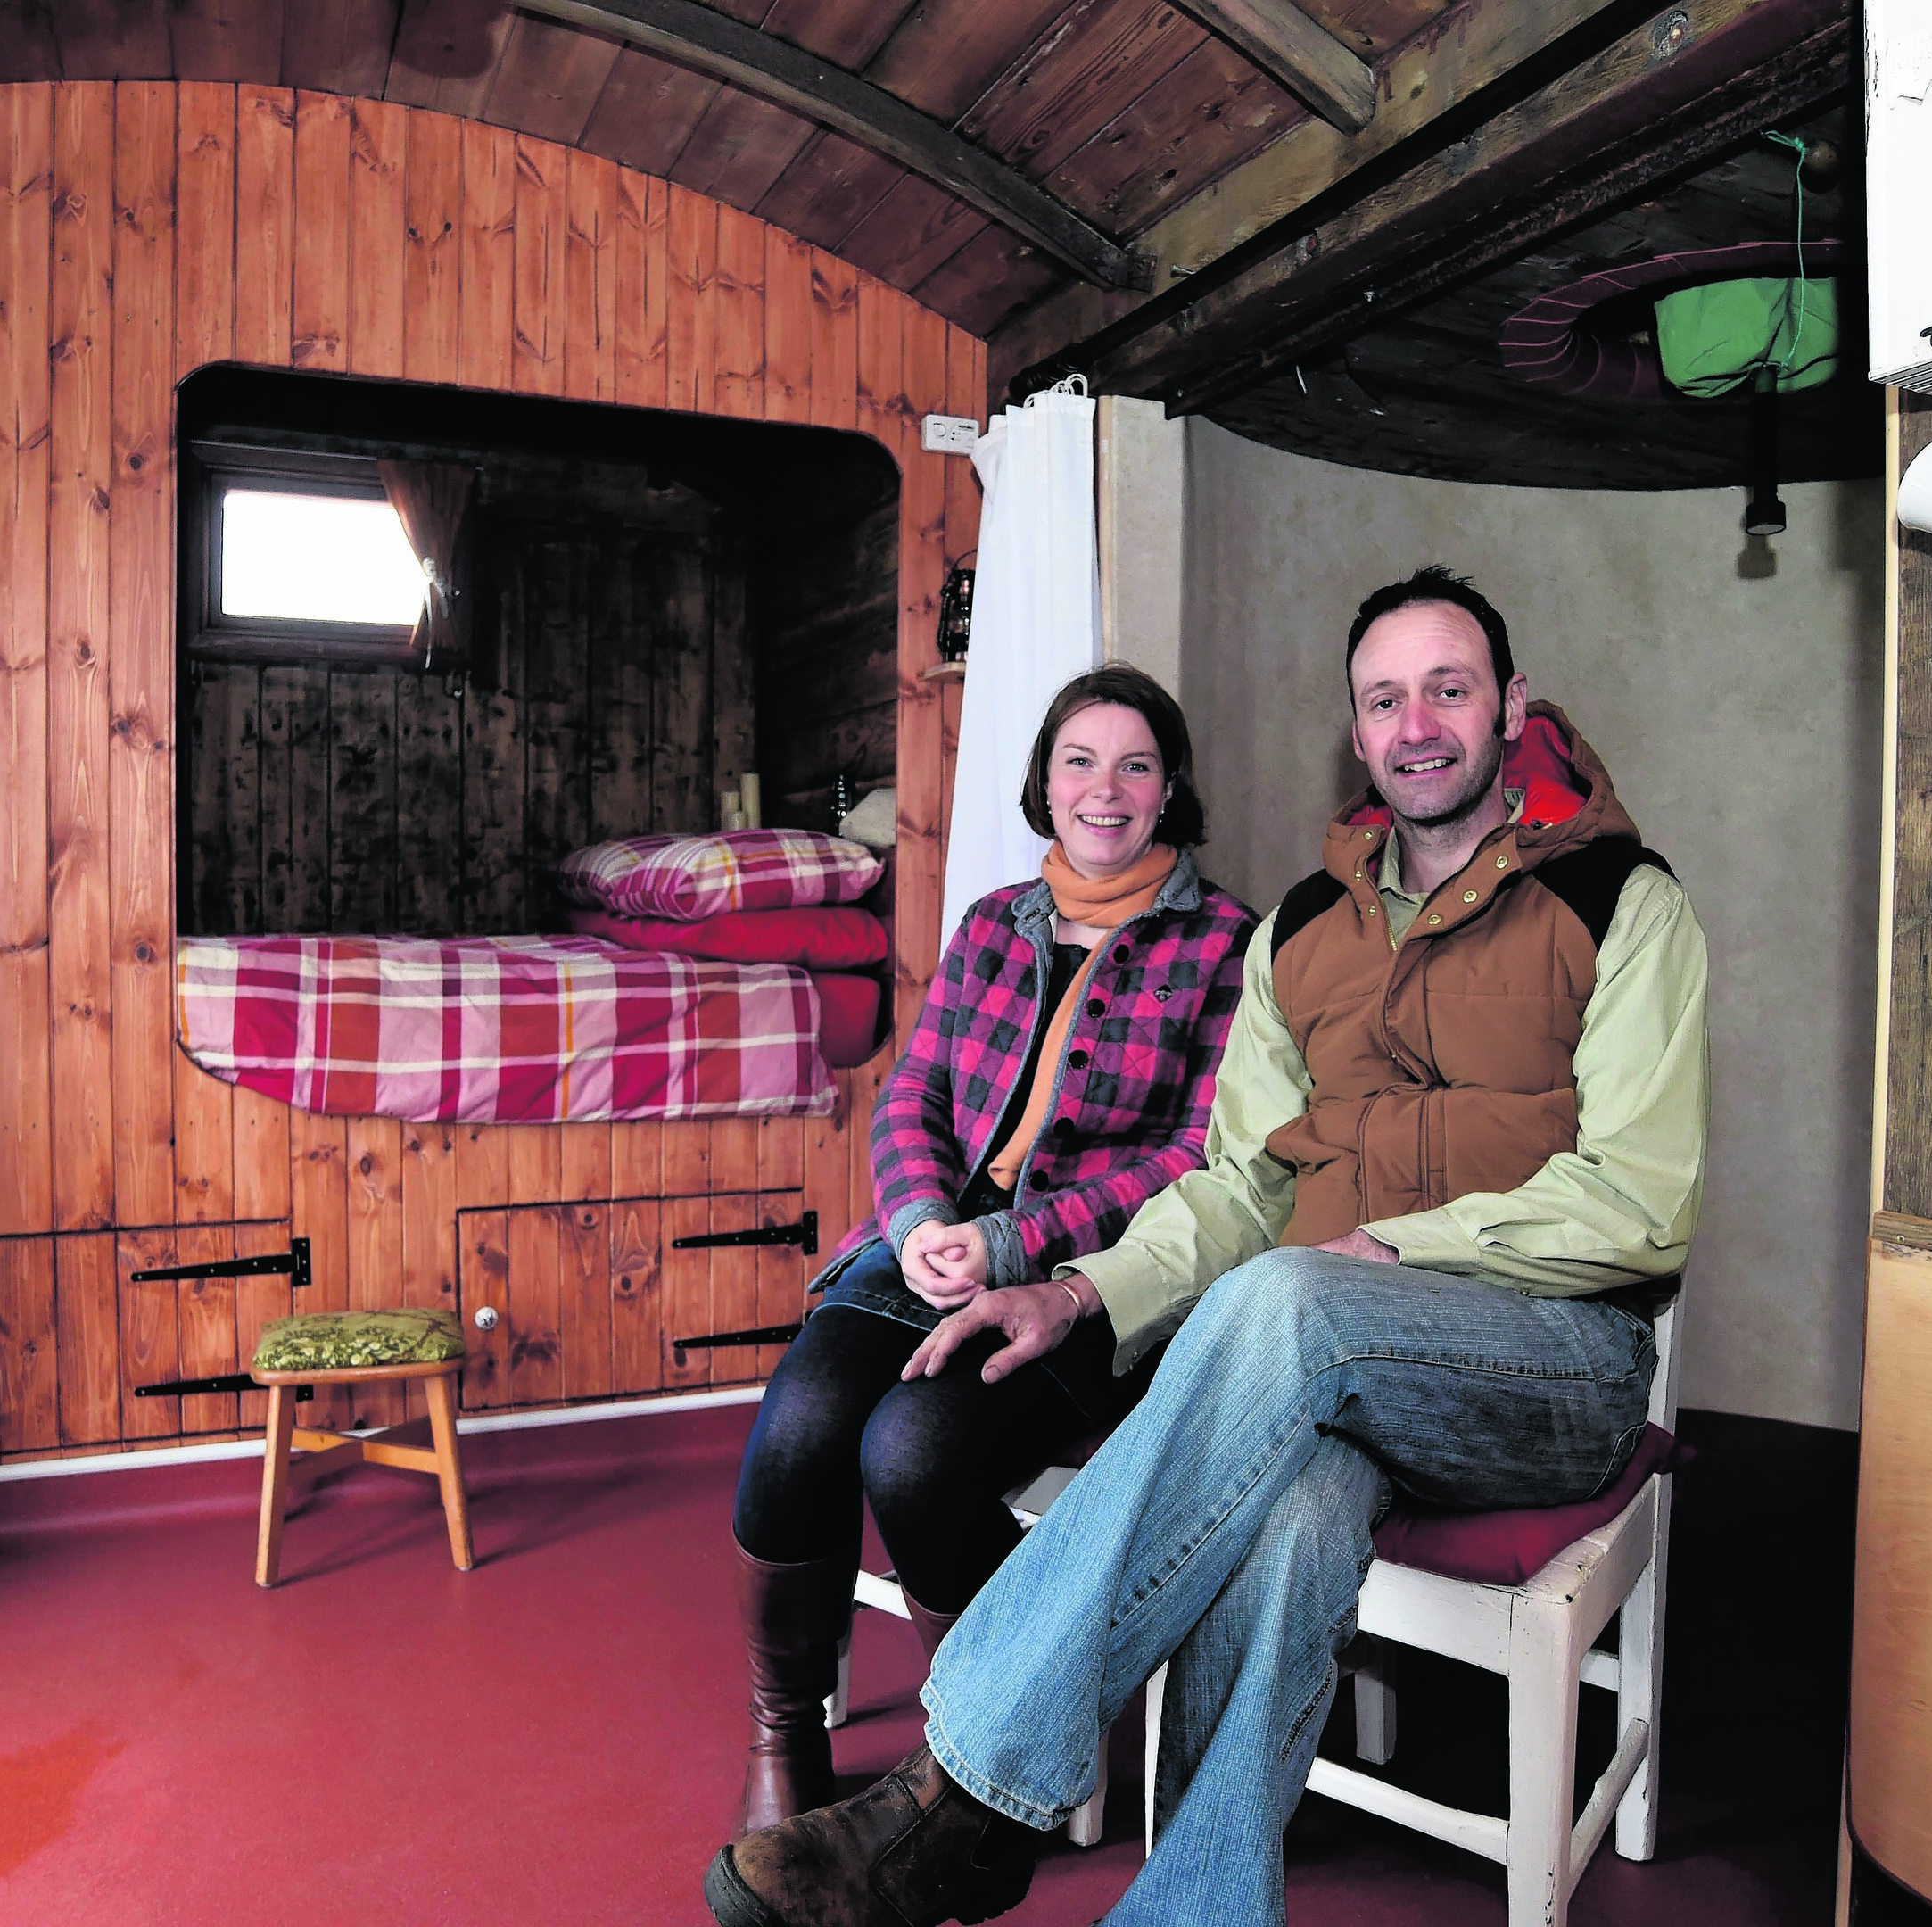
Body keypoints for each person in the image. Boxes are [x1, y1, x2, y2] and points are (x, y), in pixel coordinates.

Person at [705, 567, 1709, 1927]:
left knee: (1290, 1299)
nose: (1417, 724)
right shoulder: (1303, 931)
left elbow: (1640, 1201)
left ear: (1510, 708)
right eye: (1384, 698)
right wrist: (1074, 1290)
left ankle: (968, 1785)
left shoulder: (1621, 903)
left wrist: (1395, 1261)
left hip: (1548, 1369)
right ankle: (1195, 1909)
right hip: (1337, 1360)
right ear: (1355, 733)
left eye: (1449, 689)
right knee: (1293, 1508)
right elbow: (1236, 1184)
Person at [722, 664, 1259, 1836]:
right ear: (1044, 783)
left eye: (1133, 765)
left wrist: (1018, 1240)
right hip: (928, 1248)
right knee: (802, 1427)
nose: (1103, 790)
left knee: (912, 1451)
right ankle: (783, 1741)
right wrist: (921, 1226)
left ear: (1170, 791)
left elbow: (1198, 1156)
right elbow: (911, 1097)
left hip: (1079, 1286)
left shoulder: (1229, 945)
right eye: (1079, 761)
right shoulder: (990, 925)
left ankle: (979, 1751)